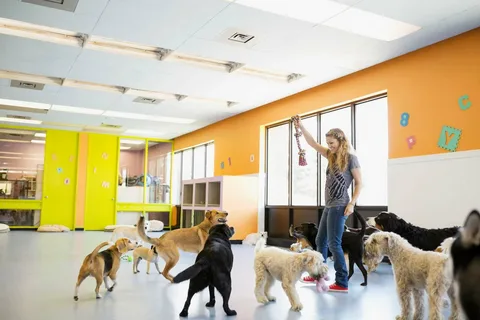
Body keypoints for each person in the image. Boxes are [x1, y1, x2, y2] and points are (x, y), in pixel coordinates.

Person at [292, 115, 363, 293]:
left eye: (332, 143)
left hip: (340, 205)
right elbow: (313, 143)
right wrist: (301, 127)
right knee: (320, 240)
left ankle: (342, 282)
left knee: (334, 243)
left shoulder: (351, 159)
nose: (330, 146)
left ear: (341, 141)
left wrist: (352, 203)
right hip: (329, 205)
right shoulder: (331, 156)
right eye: (328, 143)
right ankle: (319, 274)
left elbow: (359, 182)